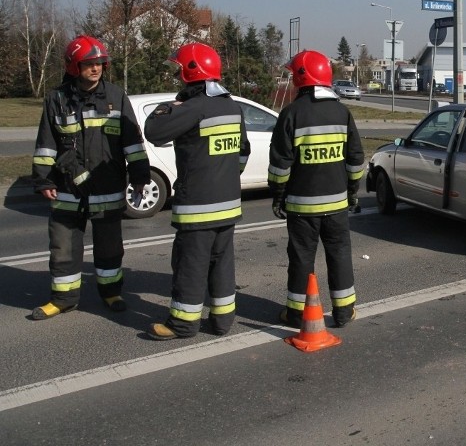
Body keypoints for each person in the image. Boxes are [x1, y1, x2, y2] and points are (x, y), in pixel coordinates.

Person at [31, 35, 150, 320]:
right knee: (63, 248)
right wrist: (44, 180)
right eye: (89, 64)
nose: (96, 68)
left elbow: (132, 142)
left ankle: (111, 293)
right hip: (67, 189)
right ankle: (63, 299)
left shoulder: (115, 96)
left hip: (107, 188)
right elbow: (46, 143)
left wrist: (140, 176)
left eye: (99, 63)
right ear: (75, 66)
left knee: (109, 248)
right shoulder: (56, 99)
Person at [143, 43, 250, 340]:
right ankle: (222, 321)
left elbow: (153, 130)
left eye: (179, 69)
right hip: (228, 204)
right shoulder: (232, 107)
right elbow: (242, 154)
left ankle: (183, 323)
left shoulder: (191, 108)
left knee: (190, 264)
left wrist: (168, 106)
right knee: (222, 264)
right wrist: (225, 176)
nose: (177, 75)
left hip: (198, 207)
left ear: (190, 71)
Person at [268, 50, 364, 329]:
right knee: (340, 255)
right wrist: (352, 190)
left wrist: (278, 195)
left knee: (301, 259)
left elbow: (280, 165)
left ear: (301, 78)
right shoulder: (342, 112)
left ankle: (296, 314)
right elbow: (356, 159)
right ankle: (345, 311)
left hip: (301, 206)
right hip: (337, 205)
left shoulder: (290, 114)